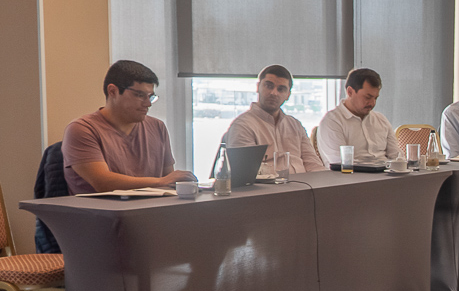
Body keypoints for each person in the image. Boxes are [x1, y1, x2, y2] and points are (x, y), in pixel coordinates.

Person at [62, 60, 195, 194]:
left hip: (151, 206)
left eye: (150, 97)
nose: (148, 104)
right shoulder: (82, 129)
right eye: (139, 95)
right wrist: (160, 182)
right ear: (113, 91)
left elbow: (169, 181)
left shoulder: (157, 127)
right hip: (103, 207)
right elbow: (103, 183)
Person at [226, 64, 326, 173]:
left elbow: (313, 165)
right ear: (258, 87)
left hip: (304, 183)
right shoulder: (242, 126)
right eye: (269, 86)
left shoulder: (295, 125)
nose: (274, 93)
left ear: (288, 95)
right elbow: (246, 174)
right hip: (269, 184)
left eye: (281, 89)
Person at [316, 68, 398, 165]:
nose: (372, 103)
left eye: (375, 98)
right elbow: (340, 163)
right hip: (352, 174)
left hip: (386, 172)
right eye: (367, 97)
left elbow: (396, 156)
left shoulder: (381, 119)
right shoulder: (332, 122)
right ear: (350, 92)